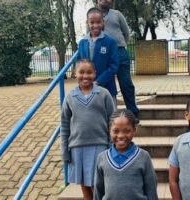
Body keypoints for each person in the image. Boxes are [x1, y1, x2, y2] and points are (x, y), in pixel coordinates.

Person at [60, 59, 116, 200]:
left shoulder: (103, 94)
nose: (85, 76)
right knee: (84, 183)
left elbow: (113, 120)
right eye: (81, 72)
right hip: (77, 147)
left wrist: (112, 144)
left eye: (89, 72)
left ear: (95, 74)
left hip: (100, 145)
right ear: (75, 74)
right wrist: (65, 150)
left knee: (99, 184)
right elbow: (65, 125)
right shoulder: (69, 97)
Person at [94, 109, 158, 200]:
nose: (120, 136)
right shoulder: (102, 158)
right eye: (115, 131)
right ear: (109, 131)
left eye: (127, 131)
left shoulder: (143, 157)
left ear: (134, 130)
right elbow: (98, 190)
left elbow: (151, 189)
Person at [96, 0, 140, 121]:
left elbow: (126, 32)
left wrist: (120, 45)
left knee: (126, 83)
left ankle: (133, 113)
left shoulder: (117, 14)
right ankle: (106, 115)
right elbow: (90, 34)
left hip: (120, 52)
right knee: (104, 84)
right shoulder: (93, 14)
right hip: (102, 54)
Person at [77, 7, 119, 105]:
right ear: (87, 22)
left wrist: (98, 82)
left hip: (107, 88)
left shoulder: (110, 42)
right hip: (87, 89)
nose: (95, 25)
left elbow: (113, 66)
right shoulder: (82, 43)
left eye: (98, 22)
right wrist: (84, 80)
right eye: (92, 22)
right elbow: (79, 64)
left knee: (110, 117)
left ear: (103, 22)